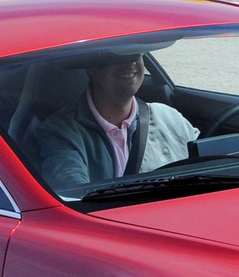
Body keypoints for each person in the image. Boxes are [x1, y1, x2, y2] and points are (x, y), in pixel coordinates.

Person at [36, 53, 199, 190]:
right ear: (91, 67)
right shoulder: (60, 132)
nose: (131, 62)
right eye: (117, 56)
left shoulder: (170, 118)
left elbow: (207, 168)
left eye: (136, 52)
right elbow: (74, 195)